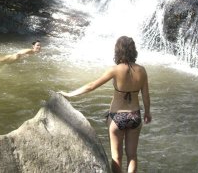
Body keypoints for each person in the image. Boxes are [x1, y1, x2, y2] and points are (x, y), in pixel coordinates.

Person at [58, 36, 151, 173]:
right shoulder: (142, 70)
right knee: (132, 156)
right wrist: (147, 113)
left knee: (116, 157)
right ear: (133, 50)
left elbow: (91, 86)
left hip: (117, 117)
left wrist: (70, 94)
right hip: (135, 116)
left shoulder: (115, 70)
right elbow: (146, 95)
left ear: (118, 51)